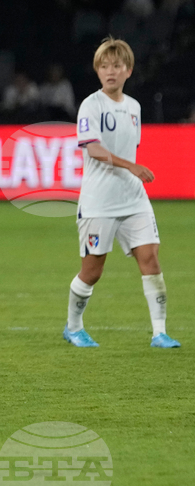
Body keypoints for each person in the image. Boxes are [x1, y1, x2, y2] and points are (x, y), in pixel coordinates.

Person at [64, 37, 180, 349]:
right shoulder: (91, 105)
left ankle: (159, 333)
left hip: (133, 198)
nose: (109, 71)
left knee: (151, 258)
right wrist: (131, 166)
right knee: (93, 270)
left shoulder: (134, 107)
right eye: (104, 66)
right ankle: (73, 327)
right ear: (97, 71)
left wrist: (131, 171)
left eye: (116, 66)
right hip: (99, 201)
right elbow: (94, 149)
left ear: (128, 70)